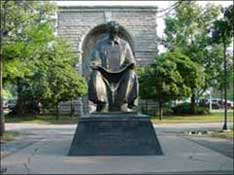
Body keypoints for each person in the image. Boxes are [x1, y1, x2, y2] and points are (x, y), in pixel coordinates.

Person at [88, 21, 138, 112]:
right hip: (104, 74)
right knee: (95, 74)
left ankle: (122, 103)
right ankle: (102, 103)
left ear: (117, 32)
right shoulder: (100, 44)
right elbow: (95, 59)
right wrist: (95, 63)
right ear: (108, 31)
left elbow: (131, 61)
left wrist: (131, 64)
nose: (113, 34)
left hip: (121, 74)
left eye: (115, 32)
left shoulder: (125, 45)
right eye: (111, 32)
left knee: (131, 74)